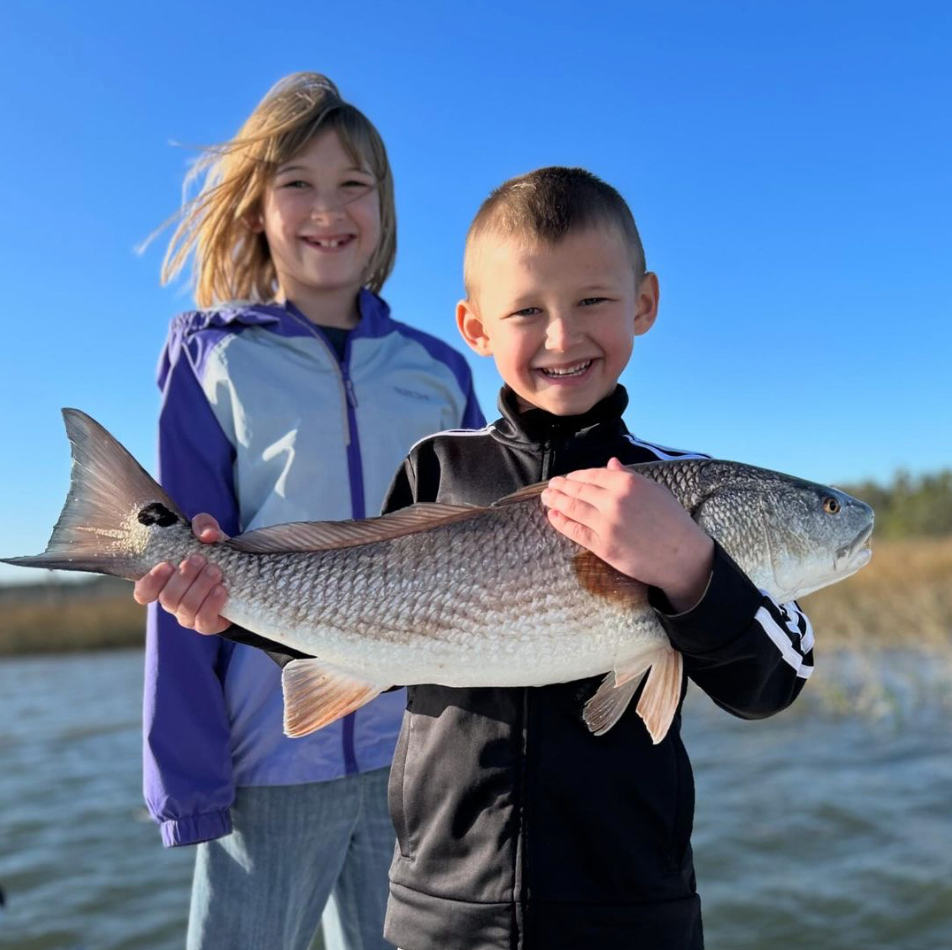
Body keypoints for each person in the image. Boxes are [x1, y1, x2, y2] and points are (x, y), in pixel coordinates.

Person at [137, 167, 814, 950]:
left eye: (592, 300)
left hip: (631, 908)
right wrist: (228, 607)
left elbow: (774, 683)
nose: (562, 336)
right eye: (527, 310)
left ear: (645, 303)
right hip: (441, 906)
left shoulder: (681, 487)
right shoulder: (437, 467)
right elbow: (364, 620)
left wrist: (691, 568)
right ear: (476, 327)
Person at [141, 72, 483, 950]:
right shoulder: (212, 357)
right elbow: (182, 567)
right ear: (258, 206)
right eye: (297, 182)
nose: (326, 209)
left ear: (385, 208)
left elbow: (489, 552)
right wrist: (188, 778)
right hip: (269, 760)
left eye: (352, 185)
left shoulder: (442, 370)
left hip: (421, 753)